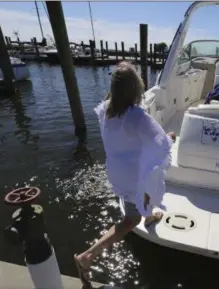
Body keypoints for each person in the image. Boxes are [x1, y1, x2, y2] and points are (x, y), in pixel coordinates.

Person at [74, 62, 176, 287]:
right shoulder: (137, 116)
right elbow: (161, 143)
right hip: (132, 174)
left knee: (144, 187)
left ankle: (149, 216)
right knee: (132, 218)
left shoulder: (104, 109)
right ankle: (87, 256)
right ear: (135, 89)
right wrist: (171, 136)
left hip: (116, 170)